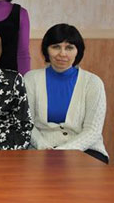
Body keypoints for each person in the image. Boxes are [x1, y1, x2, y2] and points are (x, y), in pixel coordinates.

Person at [25, 24, 108, 163]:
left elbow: (93, 130)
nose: (62, 53)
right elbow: (27, 123)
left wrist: (62, 151)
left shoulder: (93, 83)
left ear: (78, 51)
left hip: (85, 149)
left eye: (69, 48)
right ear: (46, 49)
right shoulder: (31, 79)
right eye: (56, 47)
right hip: (41, 148)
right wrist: (43, 146)